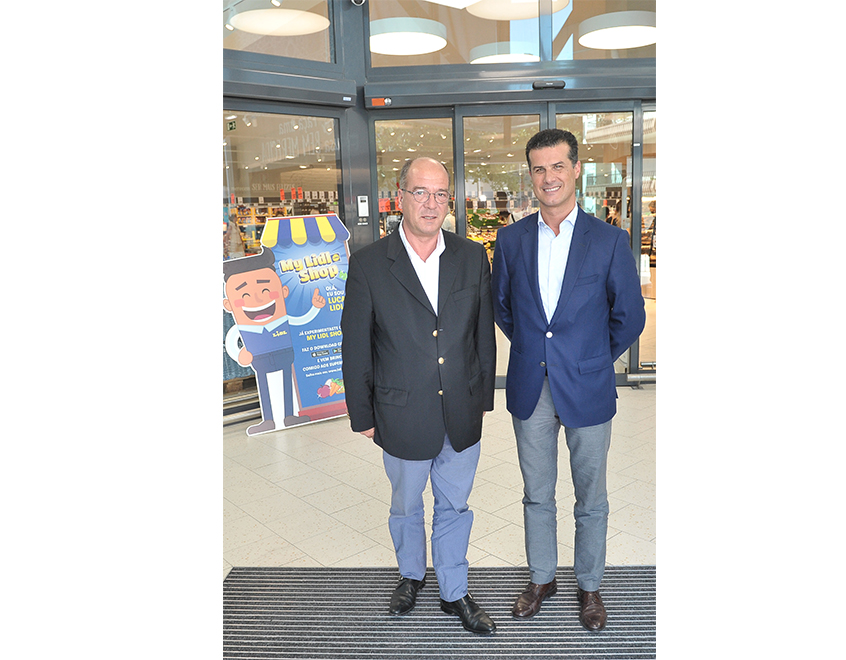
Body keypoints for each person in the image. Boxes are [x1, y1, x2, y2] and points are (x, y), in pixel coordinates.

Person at [491, 129, 645, 631]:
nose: (549, 177)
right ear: (530, 176)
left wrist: (590, 358)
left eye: (558, 166)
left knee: (591, 497)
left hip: (587, 386)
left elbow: (630, 315)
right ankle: (542, 579)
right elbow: (503, 308)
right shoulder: (511, 240)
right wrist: (541, 353)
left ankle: (589, 585)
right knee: (537, 493)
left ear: (576, 169)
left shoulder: (609, 240)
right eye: (539, 169)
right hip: (530, 387)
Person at [341, 157, 497, 634]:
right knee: (406, 505)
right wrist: (363, 414)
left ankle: (454, 590)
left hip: (460, 411)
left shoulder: (472, 256)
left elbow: (482, 335)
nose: (431, 204)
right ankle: (411, 575)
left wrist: (481, 400)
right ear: (400, 196)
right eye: (420, 192)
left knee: (455, 506)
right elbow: (356, 345)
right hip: (400, 412)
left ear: (450, 200)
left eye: (440, 194)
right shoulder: (369, 263)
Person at [223, 248, 325, 435]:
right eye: (244, 296)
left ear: (283, 291)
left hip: (284, 352)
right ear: (228, 304)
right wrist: (240, 354)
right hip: (259, 357)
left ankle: (289, 416)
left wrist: (315, 308)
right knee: (264, 385)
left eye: (265, 290)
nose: (257, 298)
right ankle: (268, 420)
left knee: (287, 382)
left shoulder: (283, 318)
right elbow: (231, 341)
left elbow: (301, 320)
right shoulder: (243, 327)